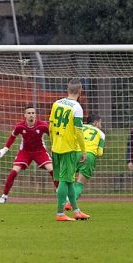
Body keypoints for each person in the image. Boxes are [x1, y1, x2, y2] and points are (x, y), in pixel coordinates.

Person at [0, 105, 58, 203]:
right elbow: (12, 137)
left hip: (40, 151)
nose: (31, 115)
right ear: (25, 115)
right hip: (25, 152)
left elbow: (53, 136)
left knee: (52, 170)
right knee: (13, 172)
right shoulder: (20, 126)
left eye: (33, 113)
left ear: (35, 115)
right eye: (29, 113)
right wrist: (4, 149)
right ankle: (4, 196)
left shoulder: (42, 125)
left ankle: (61, 194)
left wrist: (56, 148)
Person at [49, 78, 90, 221]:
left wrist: (53, 143)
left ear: (67, 90)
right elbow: (79, 131)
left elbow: (51, 126)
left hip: (56, 146)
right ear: (80, 91)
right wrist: (83, 150)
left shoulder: (56, 103)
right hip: (68, 148)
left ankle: (76, 210)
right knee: (63, 180)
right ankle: (60, 213)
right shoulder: (77, 107)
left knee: (69, 180)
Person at [64, 114, 105, 210]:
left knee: (68, 179)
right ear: (95, 122)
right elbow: (100, 152)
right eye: (100, 123)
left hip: (73, 153)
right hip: (89, 155)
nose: (101, 126)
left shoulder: (79, 128)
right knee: (80, 183)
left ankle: (64, 199)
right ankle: (69, 203)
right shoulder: (101, 134)